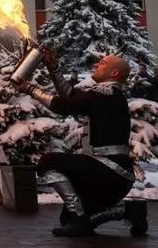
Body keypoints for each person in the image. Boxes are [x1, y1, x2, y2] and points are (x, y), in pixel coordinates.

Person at [17, 51, 148, 238]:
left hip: (108, 173)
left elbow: (64, 106)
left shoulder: (104, 93)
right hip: (116, 175)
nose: (96, 65)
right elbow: (72, 97)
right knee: (65, 220)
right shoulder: (107, 95)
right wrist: (54, 69)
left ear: (114, 74)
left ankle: (79, 218)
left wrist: (30, 89)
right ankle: (126, 210)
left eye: (102, 63)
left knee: (48, 161)